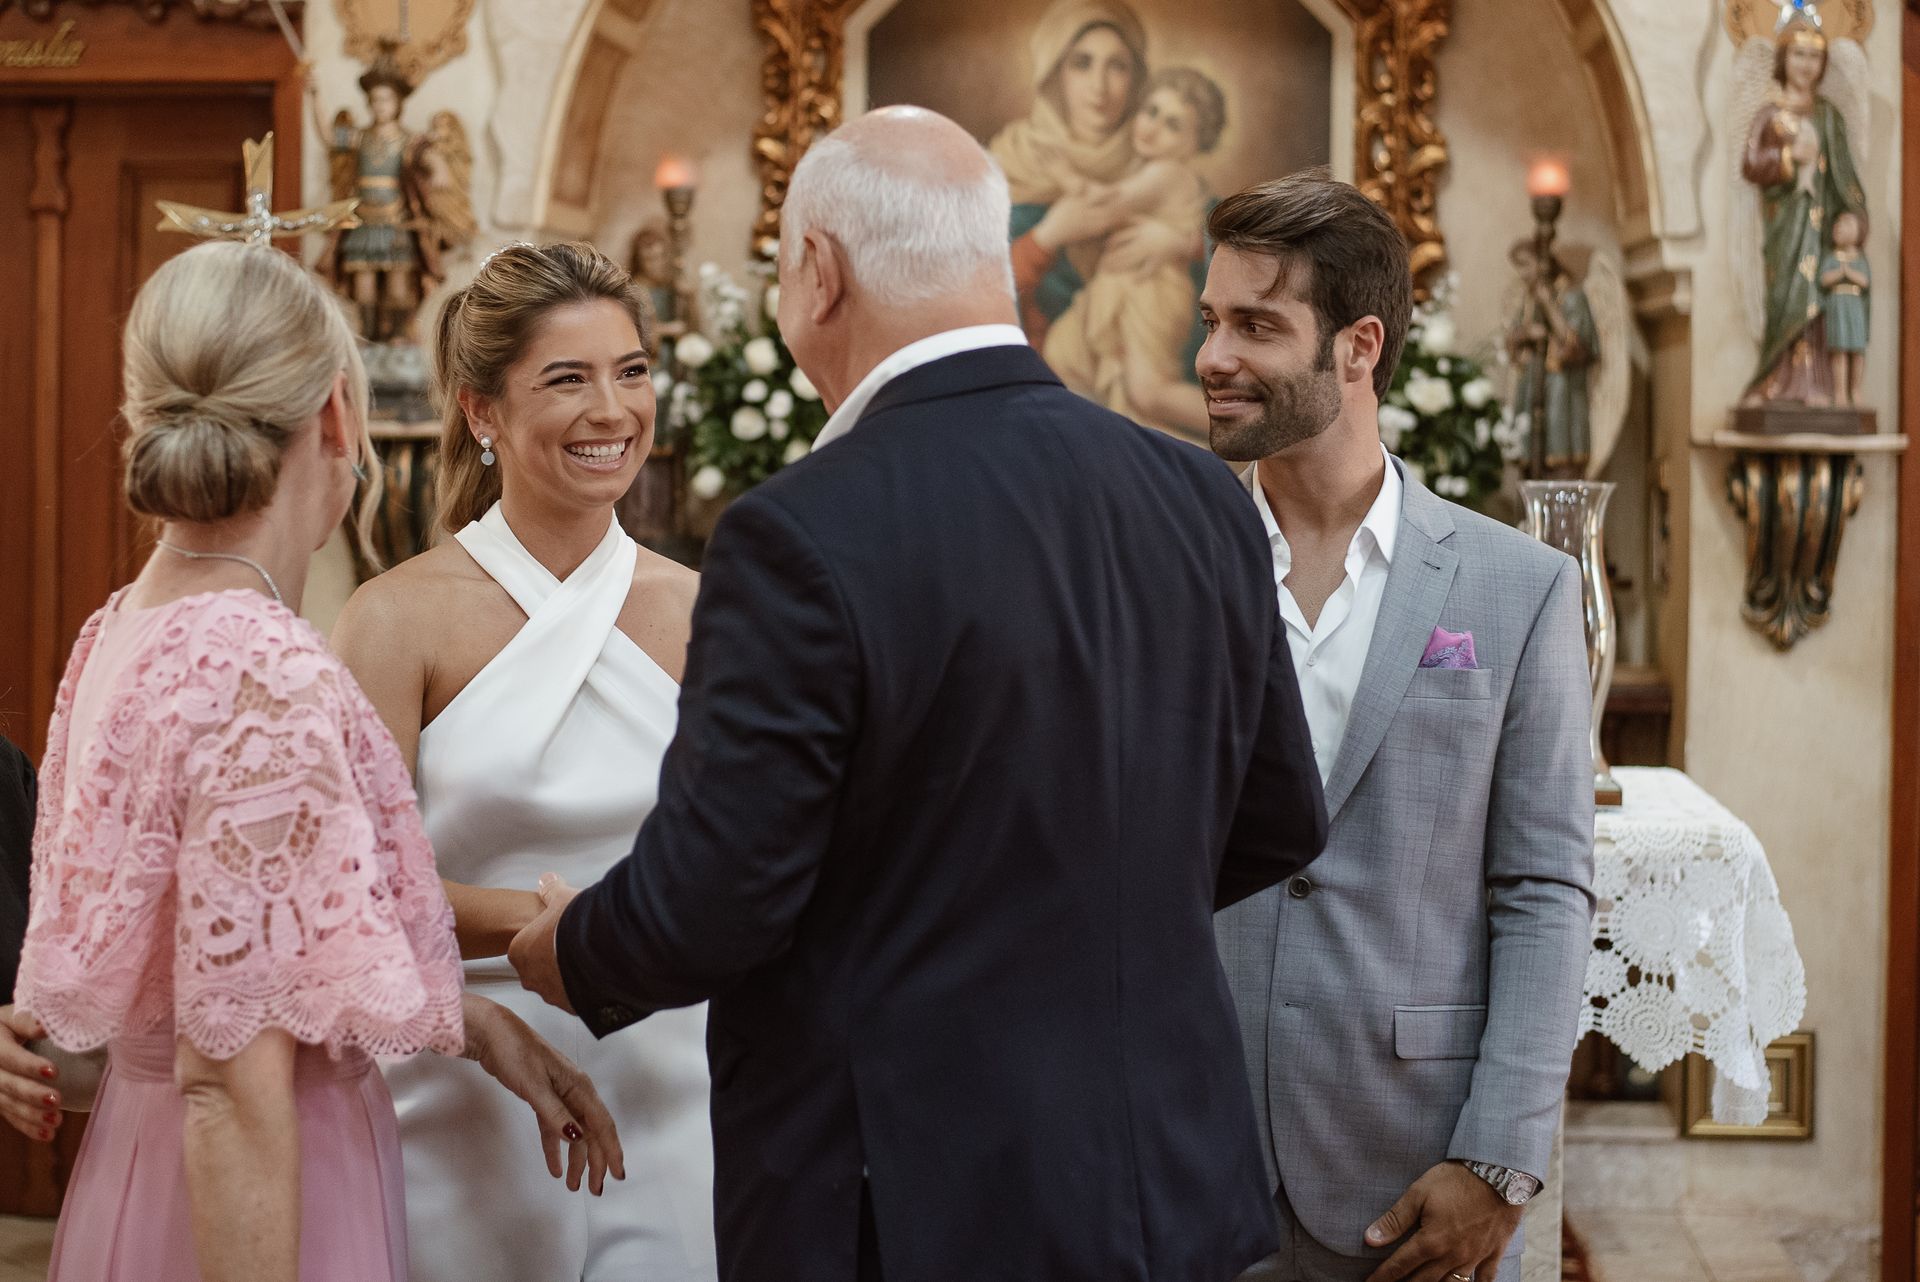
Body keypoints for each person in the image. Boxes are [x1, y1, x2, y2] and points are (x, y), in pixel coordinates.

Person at [509, 106, 1327, 1282]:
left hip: (914, 1203)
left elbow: (721, 894)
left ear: (817, 275)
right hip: (1167, 1181)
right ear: (993, 262)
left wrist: (575, 951)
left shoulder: (799, 532)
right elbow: (1280, 818)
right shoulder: (1198, 498)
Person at [14, 240, 621, 1282]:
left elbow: (215, 971)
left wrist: (472, 1024)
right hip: (259, 1194)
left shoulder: (119, 629)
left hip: (141, 1165)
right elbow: (230, 1077)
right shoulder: (259, 664)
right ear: (338, 416)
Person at [1200, 173, 1596, 1282]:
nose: (1216, 357)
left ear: (1358, 347)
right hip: (1190, 1163)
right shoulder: (1161, 564)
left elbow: (1544, 886)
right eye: (1212, 321)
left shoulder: (1518, 588)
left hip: (1416, 1173)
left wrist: (1500, 1161)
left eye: (1257, 326)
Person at [332, 241, 716, 1282]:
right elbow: (345, 893)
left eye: (632, 370)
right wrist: (555, 923)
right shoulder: (395, 618)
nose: (613, 409)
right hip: (464, 1077)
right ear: (481, 411)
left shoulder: (708, 608)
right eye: (568, 378)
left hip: (675, 1077)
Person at [1044, 65, 1226, 438]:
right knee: (1115, 392)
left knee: (1149, 392)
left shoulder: (1167, 174)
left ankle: (1250, 433)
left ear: (1195, 142)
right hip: (1128, 288)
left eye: (1173, 124)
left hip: (1151, 292)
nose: (1153, 126)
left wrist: (1062, 173)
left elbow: (1104, 205)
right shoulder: (1145, 170)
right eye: (1151, 111)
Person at [1737, 18, 1867, 405]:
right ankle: (1776, 379)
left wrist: (1856, 222)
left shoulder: (1829, 117)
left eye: (1814, 56)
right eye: (1798, 55)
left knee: (1818, 296)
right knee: (1786, 295)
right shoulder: (1769, 114)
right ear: (1783, 58)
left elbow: (1845, 177)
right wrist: (1789, 158)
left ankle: (1816, 385)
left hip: (1820, 226)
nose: (1807, 65)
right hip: (1784, 224)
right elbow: (1750, 163)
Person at [1819, 209, 1869, 407]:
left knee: (1857, 350)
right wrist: (1841, 272)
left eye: (1846, 223)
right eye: (1837, 223)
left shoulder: (1859, 259)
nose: (1839, 227)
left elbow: (1865, 280)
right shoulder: (1832, 257)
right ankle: (1840, 392)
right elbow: (1823, 279)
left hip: (1854, 308)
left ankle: (1855, 390)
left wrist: (1847, 271)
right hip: (1837, 307)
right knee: (1838, 349)